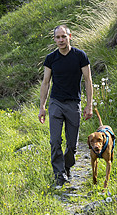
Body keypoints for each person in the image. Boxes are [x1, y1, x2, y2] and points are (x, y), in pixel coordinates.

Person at [39, 25, 93, 187]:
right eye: (58, 37)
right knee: (55, 141)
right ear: (54, 39)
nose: (61, 40)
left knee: (72, 145)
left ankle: (67, 167)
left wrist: (89, 105)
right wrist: (42, 106)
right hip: (56, 102)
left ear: (70, 36)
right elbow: (46, 82)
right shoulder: (51, 58)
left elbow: (88, 81)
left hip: (73, 103)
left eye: (63, 36)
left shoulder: (80, 56)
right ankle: (59, 174)